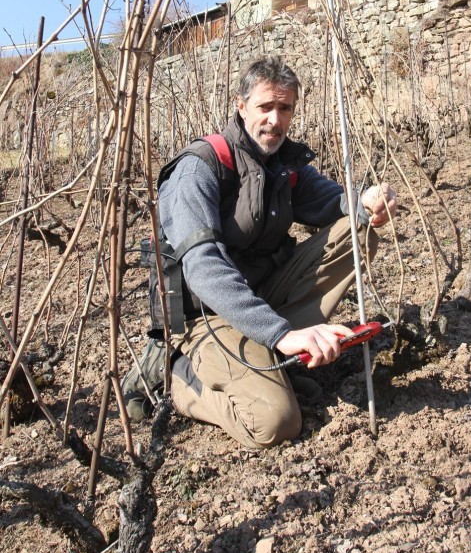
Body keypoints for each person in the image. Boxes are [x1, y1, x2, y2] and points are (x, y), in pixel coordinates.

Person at [123, 56, 396, 449]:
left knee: (357, 229)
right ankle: (175, 375)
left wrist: (366, 200)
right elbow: (202, 268)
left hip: (263, 296)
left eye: (284, 108)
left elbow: (332, 200)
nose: (275, 119)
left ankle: (267, 354)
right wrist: (281, 334)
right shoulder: (199, 168)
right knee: (275, 421)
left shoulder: (284, 162)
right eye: (265, 106)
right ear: (241, 106)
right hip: (203, 317)